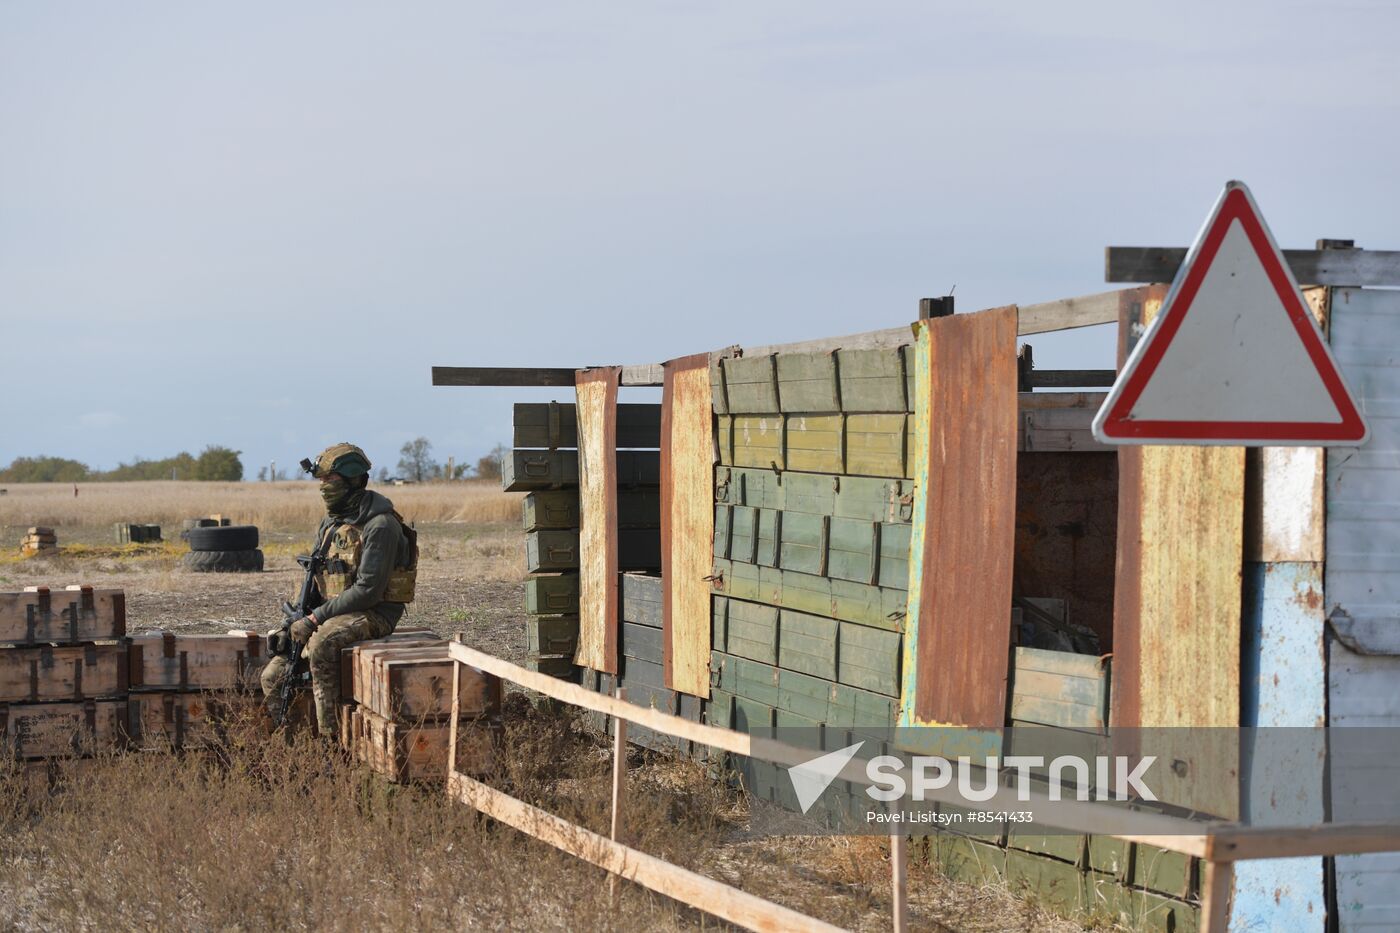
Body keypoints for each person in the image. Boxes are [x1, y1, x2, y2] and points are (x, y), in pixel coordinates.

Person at [262, 443, 418, 734]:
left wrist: (314, 619)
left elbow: (368, 590)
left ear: (353, 480)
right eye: (321, 480)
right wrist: (291, 623)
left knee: (323, 644)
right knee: (273, 675)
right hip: (331, 612)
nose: (324, 486)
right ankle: (294, 742)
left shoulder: (381, 526)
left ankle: (329, 739)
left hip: (373, 614)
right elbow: (315, 578)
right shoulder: (331, 524)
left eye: (330, 479)